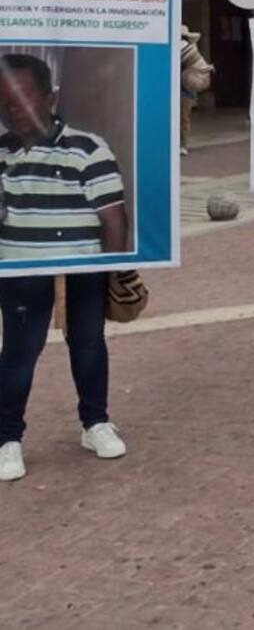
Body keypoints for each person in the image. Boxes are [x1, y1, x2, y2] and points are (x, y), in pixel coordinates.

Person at [0, 54, 129, 482]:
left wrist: (114, 272)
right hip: (20, 273)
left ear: (51, 97)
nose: (15, 108)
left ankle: (95, 424)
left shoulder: (88, 148)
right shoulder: (2, 153)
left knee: (89, 345)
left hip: (84, 270)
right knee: (19, 355)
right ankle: (7, 439)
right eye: (6, 101)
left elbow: (113, 218)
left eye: (25, 97)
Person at [180, 25, 212, 156]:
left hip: (183, 90)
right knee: (184, 118)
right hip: (187, 90)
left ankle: (182, 144)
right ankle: (182, 144)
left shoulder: (183, 48)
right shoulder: (192, 48)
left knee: (182, 118)